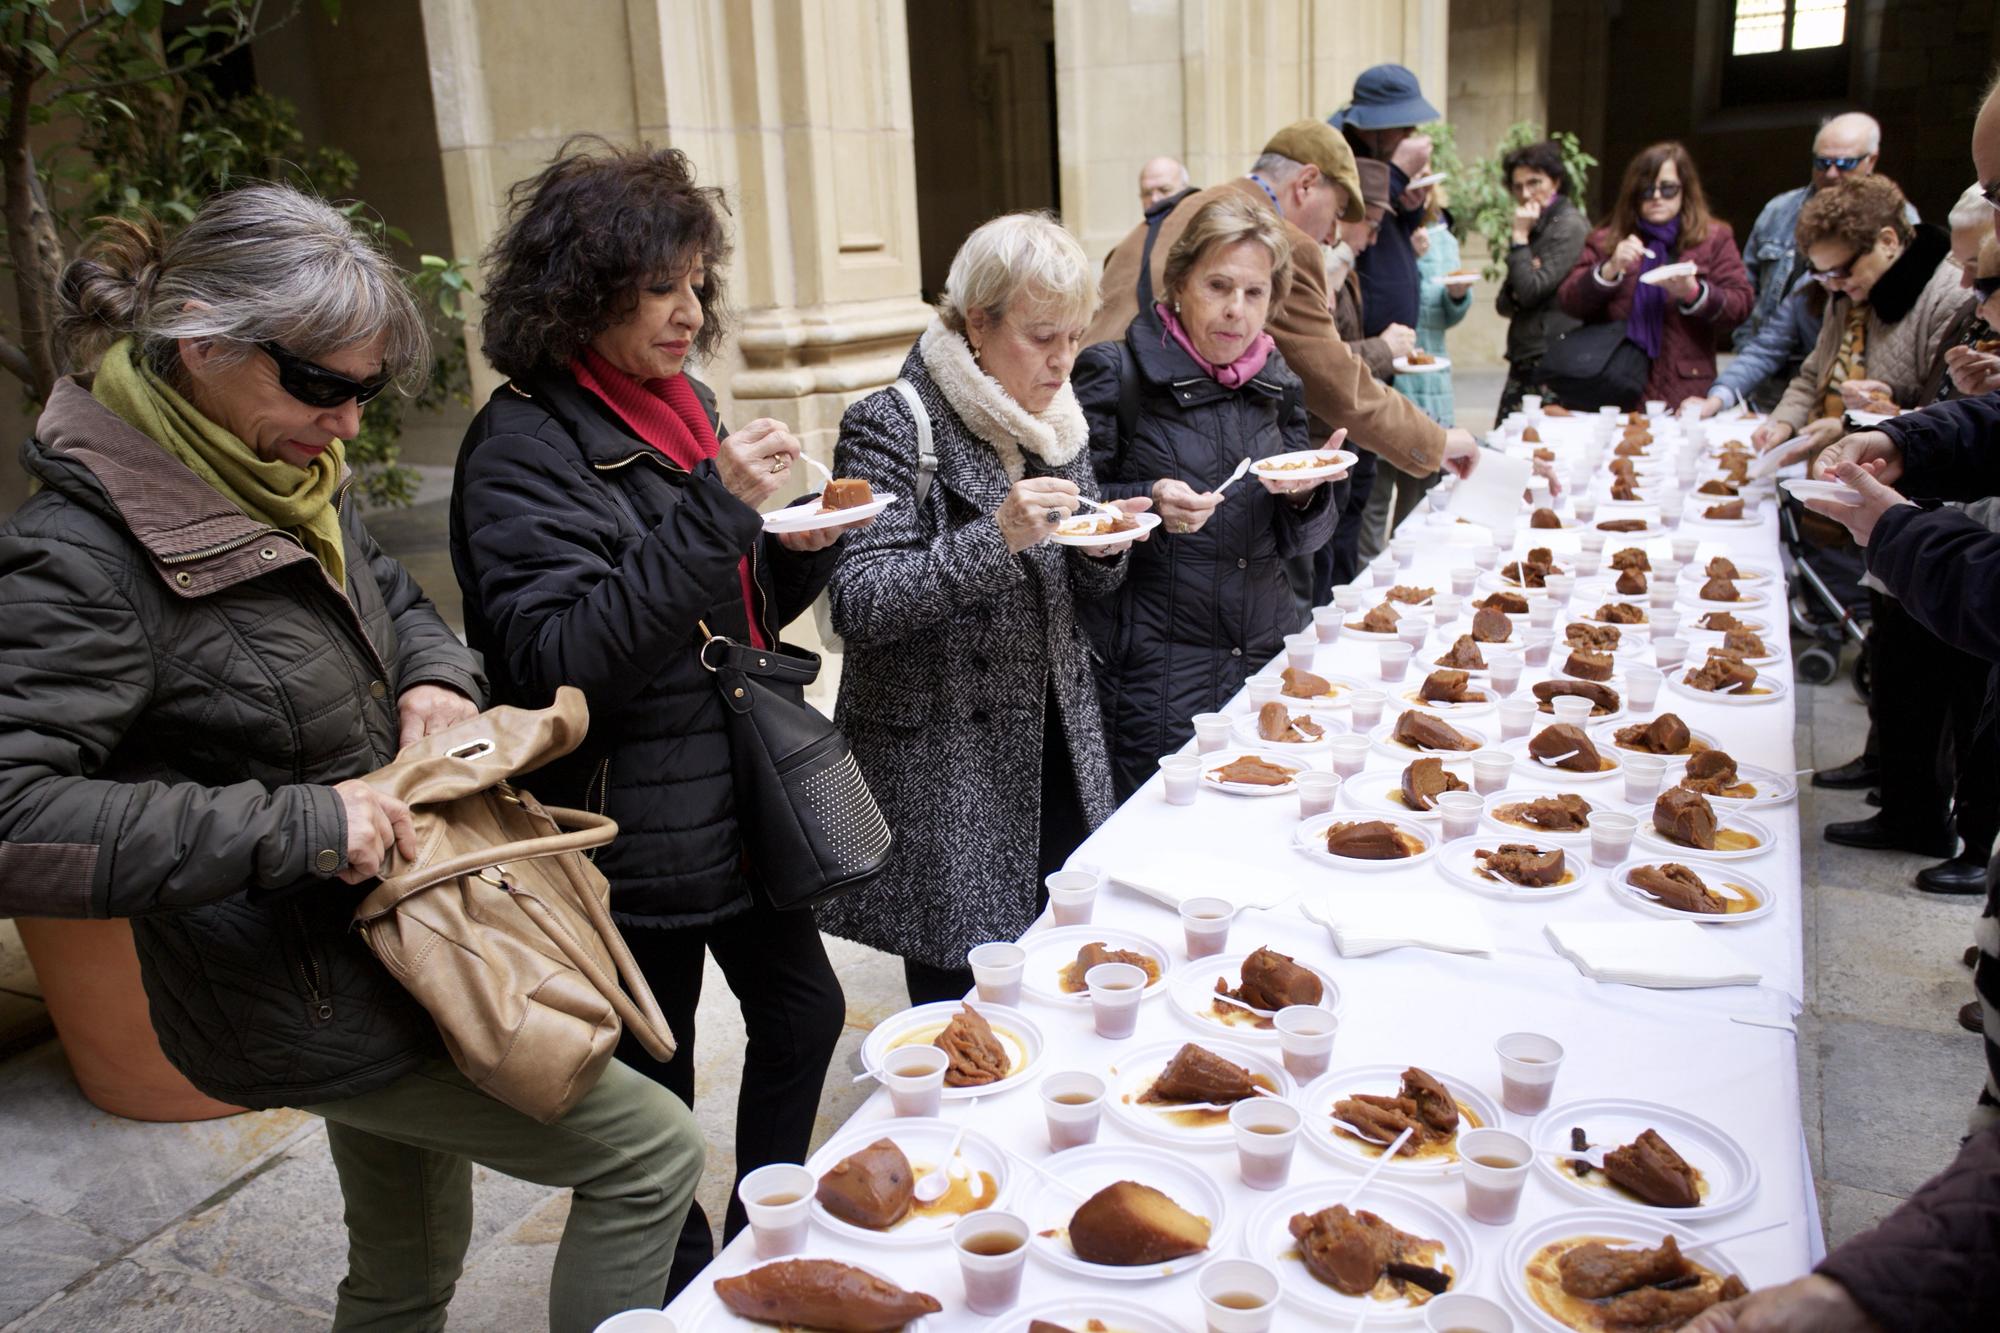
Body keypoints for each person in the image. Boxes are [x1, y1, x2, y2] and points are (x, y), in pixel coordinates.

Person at [0, 186, 703, 1332]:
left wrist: (433, 678)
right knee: (647, 1154)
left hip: (396, 948)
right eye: (323, 386)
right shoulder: (82, 554)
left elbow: (388, 604)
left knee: (407, 1263)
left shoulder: (274, 475)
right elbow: (15, 814)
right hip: (304, 987)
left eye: (367, 393)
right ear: (202, 344)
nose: (347, 426)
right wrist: (306, 827)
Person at [449, 139, 848, 1296]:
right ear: (582, 291)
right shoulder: (520, 447)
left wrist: (797, 552)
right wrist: (716, 511)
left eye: (697, 282)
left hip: (736, 790)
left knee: (805, 1011)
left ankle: (761, 1230)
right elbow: (558, 659)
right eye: (662, 286)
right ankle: (678, 1282)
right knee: (652, 1083)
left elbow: (726, 606)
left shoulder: (686, 406)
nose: (691, 312)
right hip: (629, 827)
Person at [1688, 78, 2000, 1333]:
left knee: (1930, 674)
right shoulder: (1871, 292)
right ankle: (1902, 781)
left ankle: (1929, 805)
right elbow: (1817, 367)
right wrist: (1873, 441)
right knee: (1905, 675)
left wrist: (1894, 511)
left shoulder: (1935, 283)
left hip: (1939, 546)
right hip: (1911, 501)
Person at [817, 213, 1145, 1005]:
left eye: (1073, 335)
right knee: (963, 1004)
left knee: (1066, 973)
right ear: (978, 322)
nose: (1063, 360)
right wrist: (992, 539)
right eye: (1042, 336)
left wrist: (1108, 549)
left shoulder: (1057, 418)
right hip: (947, 771)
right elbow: (859, 600)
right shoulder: (892, 422)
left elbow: (1081, 581)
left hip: (1058, 744)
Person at [1741, 175, 1982, 891]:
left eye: (1842, 270)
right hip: (1877, 485)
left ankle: (1935, 814)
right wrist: (1786, 422)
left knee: (1941, 661)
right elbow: (1816, 370)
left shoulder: (1943, 295)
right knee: (1892, 643)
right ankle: (1889, 773)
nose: (1834, 286)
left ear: (1887, 241)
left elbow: (1949, 405)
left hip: (1931, 494)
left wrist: (1882, 408)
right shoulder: (1851, 297)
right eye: (1822, 274)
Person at [1072, 192, 1338, 797]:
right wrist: (1151, 500)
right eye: (1218, 286)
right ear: (1179, 284)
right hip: (1158, 678)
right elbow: (1075, 512)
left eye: (1255, 293)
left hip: (1264, 664)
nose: (1235, 311)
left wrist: (1305, 498)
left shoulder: (1278, 381)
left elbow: (1303, 544)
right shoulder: (1117, 375)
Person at [1087, 119, 1483, 504]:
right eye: (1337, 211)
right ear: (1307, 183)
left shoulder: (1179, 209)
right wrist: (1435, 442)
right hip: (1164, 467)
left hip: (1089, 443)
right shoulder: (1275, 243)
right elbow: (1338, 384)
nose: (1332, 236)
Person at [1330, 64, 1437, 567]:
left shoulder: (1384, 169)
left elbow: (1388, 241)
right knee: (1348, 500)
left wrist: (1410, 203)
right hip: (1352, 362)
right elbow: (1355, 233)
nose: (1412, 135)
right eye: (1403, 126)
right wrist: (1392, 175)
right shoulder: (1345, 160)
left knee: (1365, 484)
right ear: (1374, 126)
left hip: (1384, 360)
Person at [1557, 141, 1754, 408]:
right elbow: (1569, 301)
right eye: (1646, 190)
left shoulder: (1713, 237)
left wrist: (1694, 293)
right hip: (1614, 383)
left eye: (1668, 188)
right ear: (1633, 194)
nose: (1657, 197)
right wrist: (1609, 270)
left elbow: (1741, 305)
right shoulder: (1607, 240)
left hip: (1684, 388)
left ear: (1685, 190)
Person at [1328, 158, 1414, 580]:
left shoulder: (1344, 266)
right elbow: (1323, 361)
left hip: (1355, 438)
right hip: (1330, 437)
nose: (1376, 238)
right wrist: (1384, 347)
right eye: (1373, 224)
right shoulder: (1321, 267)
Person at [1369, 206, 1472, 533]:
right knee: (1373, 499)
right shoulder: (1380, 234)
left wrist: (1458, 297)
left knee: (1419, 502)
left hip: (1430, 380)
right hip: (1384, 375)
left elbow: (1445, 317)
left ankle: (1404, 573)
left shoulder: (1444, 238)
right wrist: (1406, 260)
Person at [1495, 138, 1589, 422]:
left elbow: (1529, 290)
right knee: (1508, 443)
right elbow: (1503, 302)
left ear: (1555, 182)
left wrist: (1520, 242)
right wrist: (1526, 265)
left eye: (1534, 183)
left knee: (1535, 446)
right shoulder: (1539, 225)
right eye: (1518, 186)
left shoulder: (1568, 225)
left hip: (1550, 356)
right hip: (1527, 353)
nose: (1526, 194)